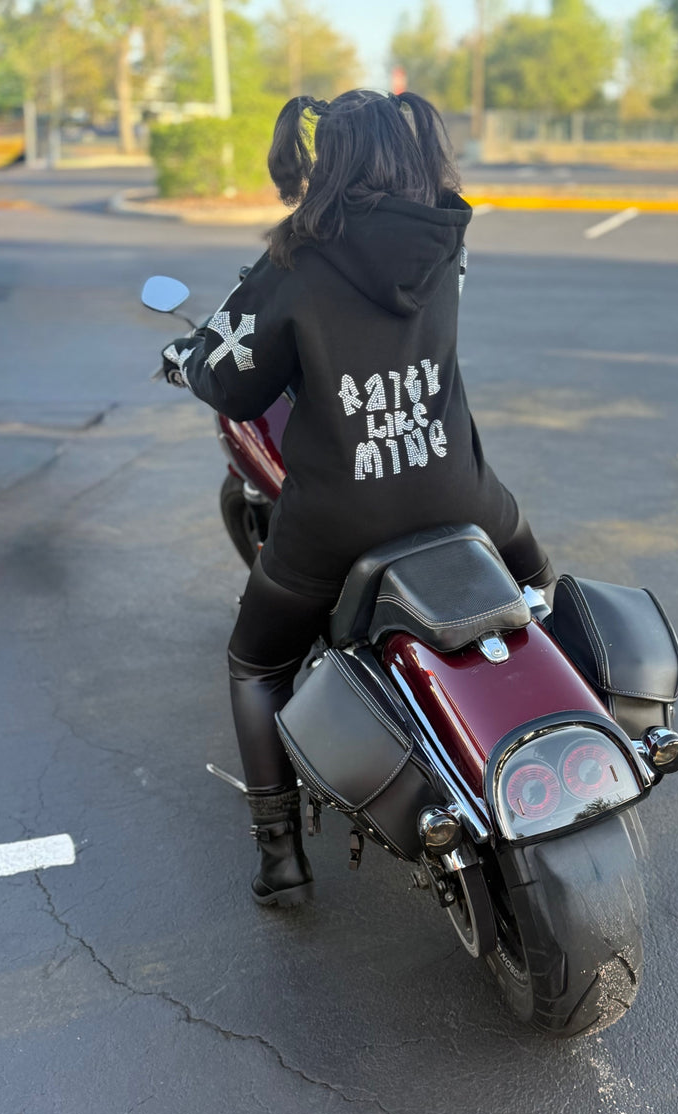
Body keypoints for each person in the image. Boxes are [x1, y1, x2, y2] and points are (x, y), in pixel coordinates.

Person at [162, 88, 553, 908]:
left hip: (340, 520)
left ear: (326, 161)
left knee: (256, 661)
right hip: (462, 493)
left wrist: (188, 360)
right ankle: (584, 720)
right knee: (540, 591)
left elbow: (235, 385)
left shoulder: (297, 261)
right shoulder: (445, 241)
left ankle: (280, 856)